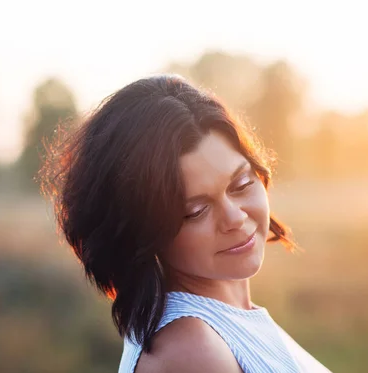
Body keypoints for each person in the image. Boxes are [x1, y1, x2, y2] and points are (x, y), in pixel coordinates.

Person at [39, 75, 332, 373]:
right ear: (145, 232)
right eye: (196, 211)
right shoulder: (191, 350)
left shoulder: (227, 323)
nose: (235, 218)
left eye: (241, 184)